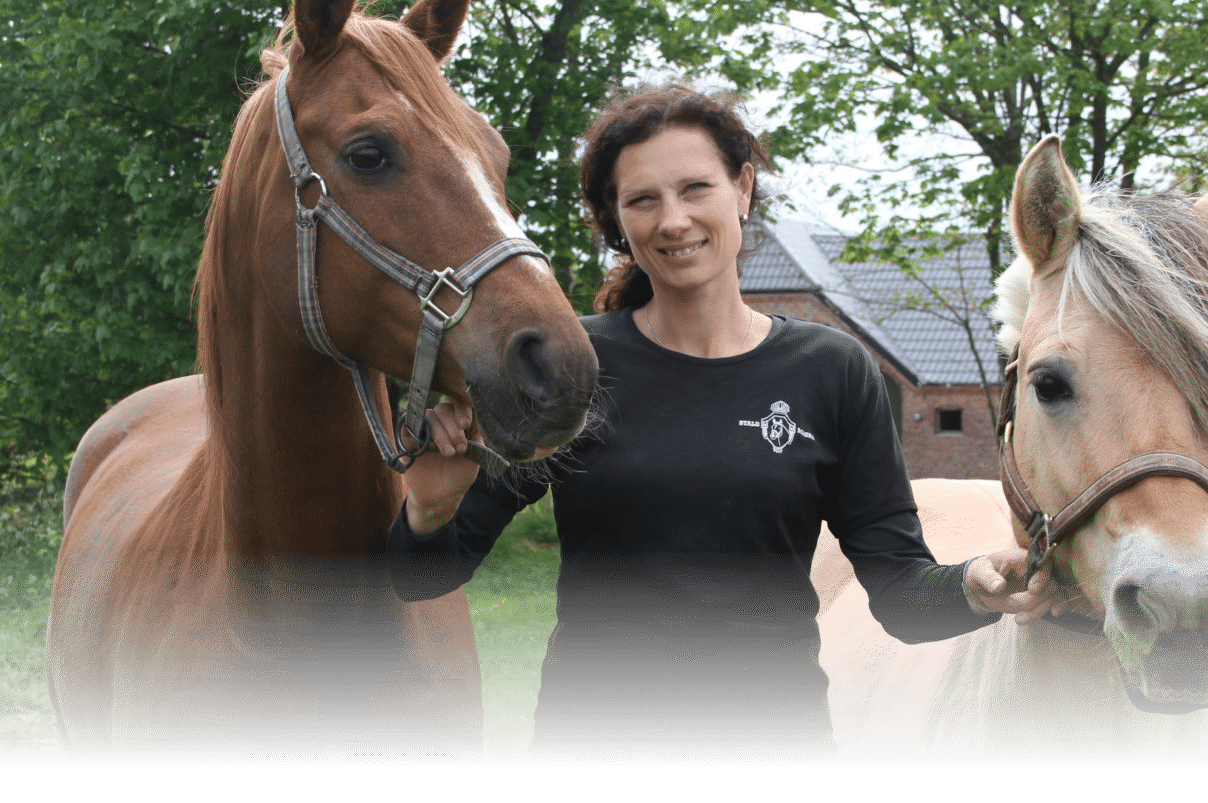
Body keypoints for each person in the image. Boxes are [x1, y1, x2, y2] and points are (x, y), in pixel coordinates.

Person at [387, 82, 1057, 754]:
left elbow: (900, 592)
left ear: (742, 188)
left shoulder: (832, 370)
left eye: (695, 188)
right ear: (617, 221)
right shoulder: (576, 367)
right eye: (643, 200)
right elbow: (423, 577)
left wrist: (974, 586)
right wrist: (431, 510)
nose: (673, 220)